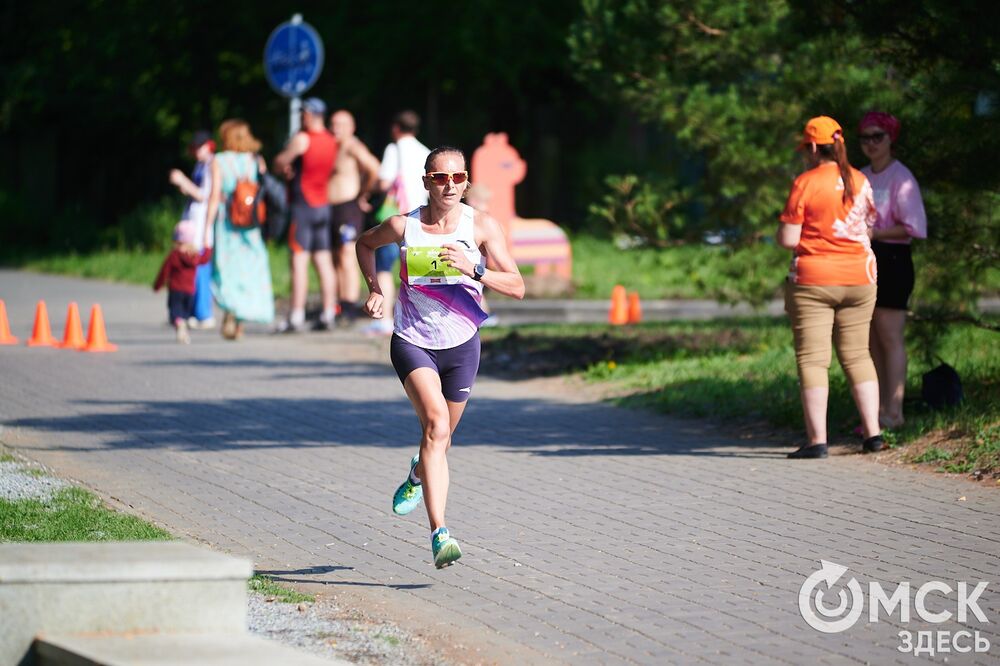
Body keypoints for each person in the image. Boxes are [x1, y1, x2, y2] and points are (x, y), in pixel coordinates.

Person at [356, 146, 525, 567]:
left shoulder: (482, 226)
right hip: (412, 340)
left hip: (463, 344)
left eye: (457, 177)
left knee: (441, 439)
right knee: (434, 424)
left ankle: (417, 473)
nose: (449, 185)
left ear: (466, 181)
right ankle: (440, 532)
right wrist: (375, 289)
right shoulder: (403, 225)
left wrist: (475, 269)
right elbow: (364, 244)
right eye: (439, 177)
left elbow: (518, 286)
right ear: (426, 181)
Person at [776, 116, 883, 459]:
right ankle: (873, 435)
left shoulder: (805, 182)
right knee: (857, 355)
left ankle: (817, 441)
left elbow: (789, 238)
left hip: (814, 281)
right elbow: (867, 231)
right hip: (860, 279)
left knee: (813, 359)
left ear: (811, 147)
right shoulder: (860, 179)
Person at [859, 112, 927, 429]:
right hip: (864, 260)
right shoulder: (860, 176)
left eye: (878, 137)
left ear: (890, 139)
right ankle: (878, 410)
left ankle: (895, 410)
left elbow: (913, 227)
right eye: (865, 137)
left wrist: (875, 234)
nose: (871, 143)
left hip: (894, 261)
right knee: (870, 339)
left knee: (890, 336)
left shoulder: (902, 178)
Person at [205, 119, 275, 340]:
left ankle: (231, 309)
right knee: (250, 268)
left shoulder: (218, 160)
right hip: (250, 222)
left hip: (228, 221)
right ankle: (241, 321)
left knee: (226, 268)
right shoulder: (255, 160)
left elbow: (215, 195)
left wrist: (207, 225)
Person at [274, 98, 339, 332]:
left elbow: (281, 161)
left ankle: (296, 316)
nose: (302, 116)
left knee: (299, 261)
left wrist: (283, 165)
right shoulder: (332, 141)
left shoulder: (303, 139)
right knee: (323, 260)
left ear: (312, 114)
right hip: (323, 205)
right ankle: (328, 312)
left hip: (303, 206)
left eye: (304, 113)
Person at [366, 110, 431, 336]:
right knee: (418, 269)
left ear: (396, 128)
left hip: (396, 216)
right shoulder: (426, 151)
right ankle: (421, 319)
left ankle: (383, 319)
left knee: (385, 267)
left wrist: (365, 191)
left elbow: (384, 182)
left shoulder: (394, 149)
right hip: (420, 217)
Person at [328, 109, 381, 319]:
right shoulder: (332, 148)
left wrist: (363, 192)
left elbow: (374, 168)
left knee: (346, 253)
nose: (336, 129)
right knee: (333, 256)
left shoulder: (352, 146)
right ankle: (338, 303)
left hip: (348, 207)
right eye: (333, 124)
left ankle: (348, 304)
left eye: (341, 124)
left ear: (351, 127)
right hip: (330, 208)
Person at [168, 130, 216, 329]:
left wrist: (182, 181)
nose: (197, 151)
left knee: (201, 267)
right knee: (192, 269)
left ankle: (205, 313)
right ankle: (193, 311)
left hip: (202, 221)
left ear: (209, 145)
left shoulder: (212, 166)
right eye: (195, 147)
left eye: (200, 147)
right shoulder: (200, 165)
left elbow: (205, 195)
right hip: (193, 220)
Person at [153, 221, 212, 344]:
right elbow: (205, 259)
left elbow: (164, 271)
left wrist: (157, 285)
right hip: (190, 290)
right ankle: (184, 329)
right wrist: (207, 247)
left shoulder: (174, 255)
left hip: (176, 290)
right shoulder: (194, 255)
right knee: (185, 313)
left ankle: (179, 325)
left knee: (175, 312)